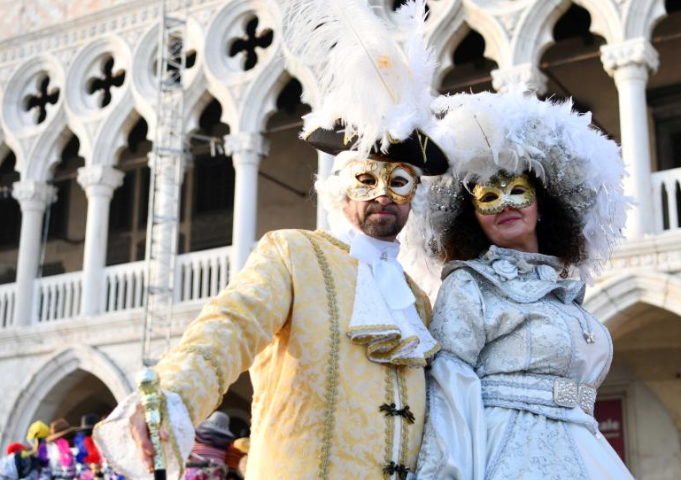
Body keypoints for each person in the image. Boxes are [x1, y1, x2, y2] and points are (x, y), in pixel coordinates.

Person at [94, 1, 448, 479]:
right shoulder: (293, 256)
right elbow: (230, 326)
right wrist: (173, 395)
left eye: (400, 182)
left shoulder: (418, 303)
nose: (383, 195)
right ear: (341, 190)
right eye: (367, 180)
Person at [408, 87, 634, 479]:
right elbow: (448, 389)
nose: (506, 205)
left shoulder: (564, 294)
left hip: (584, 447)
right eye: (488, 197)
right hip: (509, 452)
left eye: (518, 192)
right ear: (472, 217)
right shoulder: (469, 284)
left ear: (541, 203)